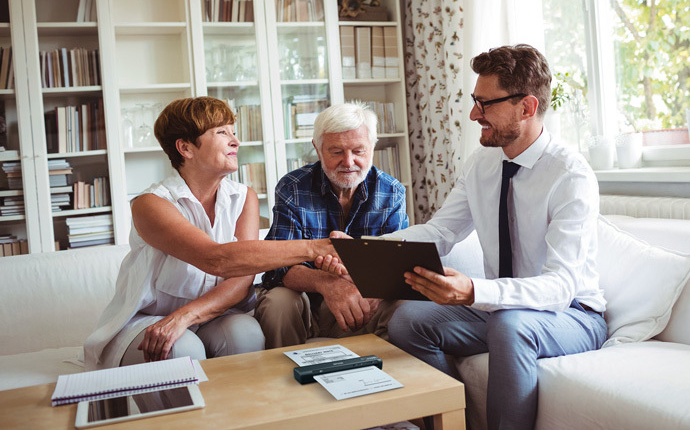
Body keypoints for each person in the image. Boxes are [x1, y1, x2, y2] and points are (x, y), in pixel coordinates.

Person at [333, 45, 608, 430]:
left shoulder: (570, 175)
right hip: (503, 308)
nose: (473, 114)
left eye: (485, 104)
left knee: (509, 325)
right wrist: (364, 249)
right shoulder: (482, 162)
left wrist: (475, 292)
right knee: (409, 320)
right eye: (475, 101)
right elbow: (441, 231)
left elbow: (561, 286)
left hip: (571, 314)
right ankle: (454, 422)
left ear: (526, 107)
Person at [84, 97, 340, 370]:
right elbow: (215, 259)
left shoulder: (244, 198)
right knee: (182, 349)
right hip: (149, 317)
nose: (235, 142)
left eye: (233, 131)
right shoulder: (150, 204)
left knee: (247, 334)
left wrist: (184, 316)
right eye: (221, 132)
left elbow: (241, 279)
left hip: (213, 314)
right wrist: (319, 247)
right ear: (185, 148)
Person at [254, 102, 409, 348]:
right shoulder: (293, 188)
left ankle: (390, 381)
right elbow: (277, 268)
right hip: (306, 306)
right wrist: (327, 282)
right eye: (336, 151)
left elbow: (397, 266)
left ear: (372, 147)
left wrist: (363, 281)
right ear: (318, 149)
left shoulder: (391, 192)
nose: (348, 162)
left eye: (358, 151)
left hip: (363, 302)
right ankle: (286, 382)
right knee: (279, 302)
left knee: (404, 306)